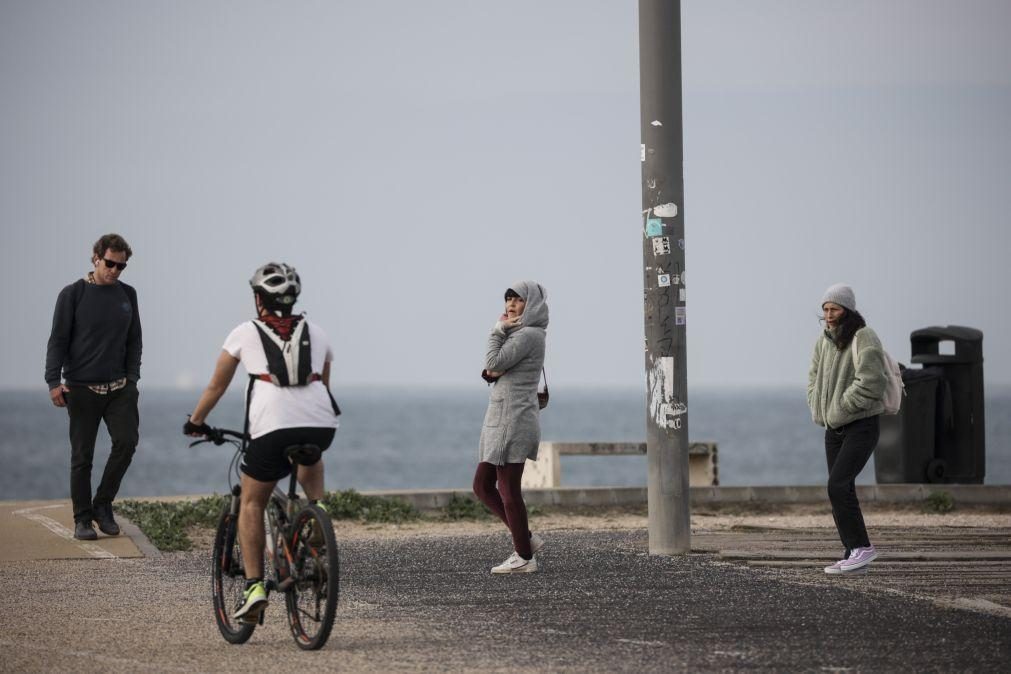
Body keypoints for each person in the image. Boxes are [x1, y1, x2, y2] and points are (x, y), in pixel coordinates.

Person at [184, 262, 340, 622]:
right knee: (308, 450)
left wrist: (196, 422)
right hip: (321, 424)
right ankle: (319, 511)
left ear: (260, 300)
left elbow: (216, 386)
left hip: (272, 428)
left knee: (252, 502)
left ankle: (254, 587)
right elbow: (323, 387)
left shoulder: (243, 332)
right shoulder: (317, 332)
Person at [45, 234, 142, 541]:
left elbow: (134, 339)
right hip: (81, 389)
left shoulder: (128, 294)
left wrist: (132, 379)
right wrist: (53, 381)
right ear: (96, 257)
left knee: (126, 443)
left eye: (121, 266)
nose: (115, 270)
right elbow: (58, 340)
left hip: (119, 389)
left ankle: (103, 505)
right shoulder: (73, 295)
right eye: (110, 263)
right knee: (82, 457)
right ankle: (82, 520)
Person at [808, 283, 889, 574]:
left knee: (837, 485)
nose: (829, 315)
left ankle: (862, 548)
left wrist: (841, 407)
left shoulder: (864, 337)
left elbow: (872, 381)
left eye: (834, 309)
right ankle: (852, 553)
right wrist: (819, 408)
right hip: (834, 428)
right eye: (826, 309)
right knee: (841, 489)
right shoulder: (824, 339)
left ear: (848, 310)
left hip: (861, 425)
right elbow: (813, 376)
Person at [472, 281, 549, 574]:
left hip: (512, 420)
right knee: (482, 485)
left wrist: (497, 329)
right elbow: (491, 371)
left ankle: (524, 557)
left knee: (507, 488)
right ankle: (525, 540)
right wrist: (496, 362)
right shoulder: (521, 334)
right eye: (508, 300)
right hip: (503, 418)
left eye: (518, 300)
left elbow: (492, 362)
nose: (510, 306)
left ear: (532, 305)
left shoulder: (527, 335)